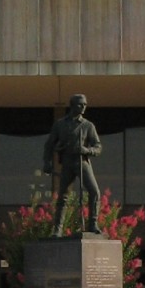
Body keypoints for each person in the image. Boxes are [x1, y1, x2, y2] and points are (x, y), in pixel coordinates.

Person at [41, 94, 103, 236]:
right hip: (68, 162)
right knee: (63, 196)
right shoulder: (60, 124)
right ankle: (58, 229)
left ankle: (93, 224)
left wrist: (87, 150)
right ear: (72, 105)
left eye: (85, 104)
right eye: (80, 104)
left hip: (82, 162)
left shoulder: (88, 125)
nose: (83, 107)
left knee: (94, 192)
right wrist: (47, 162)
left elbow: (98, 147)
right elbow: (49, 144)